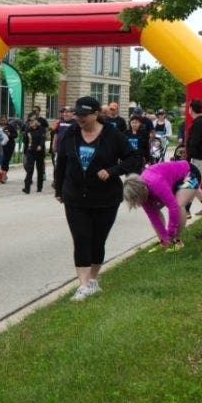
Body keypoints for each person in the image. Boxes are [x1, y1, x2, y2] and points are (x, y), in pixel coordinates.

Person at [54, 96, 142, 301]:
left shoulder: (112, 134)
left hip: (106, 197)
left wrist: (112, 171)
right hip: (75, 195)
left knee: (97, 240)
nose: (80, 118)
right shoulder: (70, 133)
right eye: (78, 114)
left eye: (84, 115)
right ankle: (83, 285)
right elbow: (62, 163)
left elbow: (134, 158)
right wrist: (59, 189)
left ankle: (93, 280)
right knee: (81, 238)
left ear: (96, 114)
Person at [123, 160, 202, 252]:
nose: (141, 202)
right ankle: (165, 243)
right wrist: (164, 237)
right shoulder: (141, 193)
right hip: (171, 181)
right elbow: (153, 216)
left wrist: (171, 233)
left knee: (179, 204)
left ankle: (177, 241)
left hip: (188, 173)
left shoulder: (154, 182)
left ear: (142, 190)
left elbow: (173, 207)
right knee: (154, 210)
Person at [22, 115, 45, 194]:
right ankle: (27, 188)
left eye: (33, 121)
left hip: (39, 152)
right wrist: (25, 134)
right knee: (30, 169)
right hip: (30, 151)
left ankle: (39, 187)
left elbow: (43, 138)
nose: (32, 122)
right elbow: (25, 141)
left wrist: (40, 146)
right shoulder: (28, 130)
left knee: (40, 169)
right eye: (30, 121)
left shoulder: (41, 129)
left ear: (37, 122)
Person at [0, 114, 19, 184]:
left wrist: (9, 134)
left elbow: (16, 135)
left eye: (4, 120)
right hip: (0, 146)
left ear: (7, 120)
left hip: (9, 146)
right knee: (1, 160)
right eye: (2, 120)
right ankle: (2, 174)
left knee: (6, 160)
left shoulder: (10, 127)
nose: (3, 122)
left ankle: (4, 175)